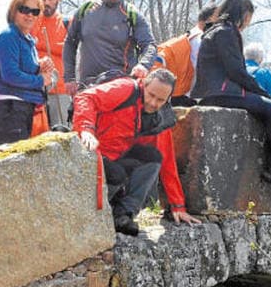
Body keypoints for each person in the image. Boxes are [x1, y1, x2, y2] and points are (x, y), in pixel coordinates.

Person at [190, 0, 271, 192]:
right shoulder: (225, 32)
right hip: (220, 92)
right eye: (249, 17)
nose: (248, 22)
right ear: (244, 14)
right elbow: (236, 71)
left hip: (218, 90)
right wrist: (262, 93)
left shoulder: (218, 31)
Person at [73, 69, 200, 234]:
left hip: (116, 157)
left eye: (160, 100)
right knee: (116, 174)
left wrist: (178, 206)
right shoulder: (125, 88)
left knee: (152, 158)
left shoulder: (158, 118)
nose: (153, 103)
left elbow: (167, 161)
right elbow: (85, 97)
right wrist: (86, 129)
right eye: (151, 95)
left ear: (168, 99)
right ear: (144, 85)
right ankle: (90, 214)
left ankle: (122, 214)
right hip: (89, 151)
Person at [63, 0, 157, 92]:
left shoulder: (132, 14)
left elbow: (149, 45)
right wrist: (69, 78)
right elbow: (69, 42)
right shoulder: (85, 10)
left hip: (121, 88)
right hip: (88, 88)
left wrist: (143, 65)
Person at [0, 0, 55, 145]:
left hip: (24, 107)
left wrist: (40, 66)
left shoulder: (25, 38)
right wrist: (40, 80)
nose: (29, 15)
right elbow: (10, 75)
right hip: (10, 108)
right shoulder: (8, 36)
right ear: (13, 10)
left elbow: (21, 68)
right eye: (24, 9)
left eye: (35, 11)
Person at [156, 5, 216, 106]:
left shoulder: (188, 37)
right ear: (209, 20)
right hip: (181, 96)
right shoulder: (201, 40)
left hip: (170, 92)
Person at [31, 0, 69, 120]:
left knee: (61, 132)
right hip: (33, 89)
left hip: (60, 90)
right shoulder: (29, 22)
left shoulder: (67, 22)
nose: (46, 3)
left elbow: (72, 50)